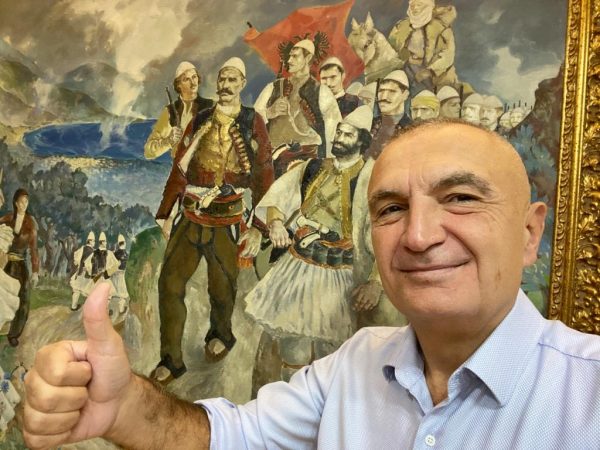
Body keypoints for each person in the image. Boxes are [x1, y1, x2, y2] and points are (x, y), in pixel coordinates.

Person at [23, 120, 600, 450]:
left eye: (461, 198)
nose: (419, 235)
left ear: (529, 233)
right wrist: (125, 405)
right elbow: (230, 436)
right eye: (391, 208)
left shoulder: (586, 397)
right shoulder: (356, 364)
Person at [151, 57, 274, 382]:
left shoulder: (252, 121)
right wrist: (165, 213)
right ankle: (171, 360)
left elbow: (264, 173)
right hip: (191, 215)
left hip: (227, 217)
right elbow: (180, 166)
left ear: (242, 84)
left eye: (233, 79)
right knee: (169, 283)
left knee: (222, 286)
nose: (226, 85)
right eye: (222, 79)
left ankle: (221, 334)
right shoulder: (202, 118)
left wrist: (259, 226)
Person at [242, 106, 373, 390]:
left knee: (332, 351)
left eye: (347, 134)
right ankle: (295, 401)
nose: (339, 138)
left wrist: (375, 282)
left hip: (341, 272)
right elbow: (278, 197)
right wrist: (276, 223)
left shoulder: (371, 178)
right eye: (339, 132)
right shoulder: (313, 167)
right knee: (293, 347)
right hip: (298, 266)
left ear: (362, 141)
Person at [254, 39, 341, 175]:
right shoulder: (273, 87)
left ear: (308, 58)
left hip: (308, 160)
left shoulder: (322, 92)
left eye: (295, 56)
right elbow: (252, 120)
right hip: (274, 159)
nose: (289, 60)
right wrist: (269, 112)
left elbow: (334, 129)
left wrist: (330, 161)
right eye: (289, 56)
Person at [144, 61, 213, 160]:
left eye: (194, 77)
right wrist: (169, 141)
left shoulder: (211, 106)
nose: (193, 83)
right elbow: (148, 152)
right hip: (178, 166)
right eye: (186, 79)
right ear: (178, 85)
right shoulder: (170, 111)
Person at [388, 0, 458, 94]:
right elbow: (391, 47)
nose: (415, 8)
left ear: (428, 6)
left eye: (419, 5)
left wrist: (430, 71)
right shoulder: (402, 25)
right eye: (412, 5)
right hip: (407, 68)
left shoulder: (442, 28)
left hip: (433, 75)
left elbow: (448, 56)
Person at [0, 189, 39, 347]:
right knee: (4, 295)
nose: (24, 205)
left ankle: (14, 334)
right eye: (21, 202)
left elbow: (34, 249)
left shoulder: (30, 223)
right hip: (6, 263)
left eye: (26, 202)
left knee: (24, 299)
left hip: (21, 266)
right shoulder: (7, 218)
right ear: (16, 203)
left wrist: (35, 272)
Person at [367, 70, 412, 159]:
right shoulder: (369, 124)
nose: (384, 97)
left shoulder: (411, 129)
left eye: (392, 91)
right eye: (381, 91)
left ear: (405, 95)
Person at [69, 231, 95, 311]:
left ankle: (73, 306)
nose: (94, 243)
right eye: (93, 241)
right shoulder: (92, 251)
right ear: (90, 241)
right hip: (86, 273)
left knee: (76, 289)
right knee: (89, 289)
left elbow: (76, 259)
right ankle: (89, 308)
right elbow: (89, 265)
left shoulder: (82, 248)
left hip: (79, 272)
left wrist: (79, 265)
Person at [111, 234, 129, 315]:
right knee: (123, 293)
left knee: (112, 293)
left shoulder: (115, 253)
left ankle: (108, 310)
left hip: (114, 275)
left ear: (118, 244)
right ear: (124, 243)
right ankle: (121, 310)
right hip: (122, 275)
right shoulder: (126, 254)